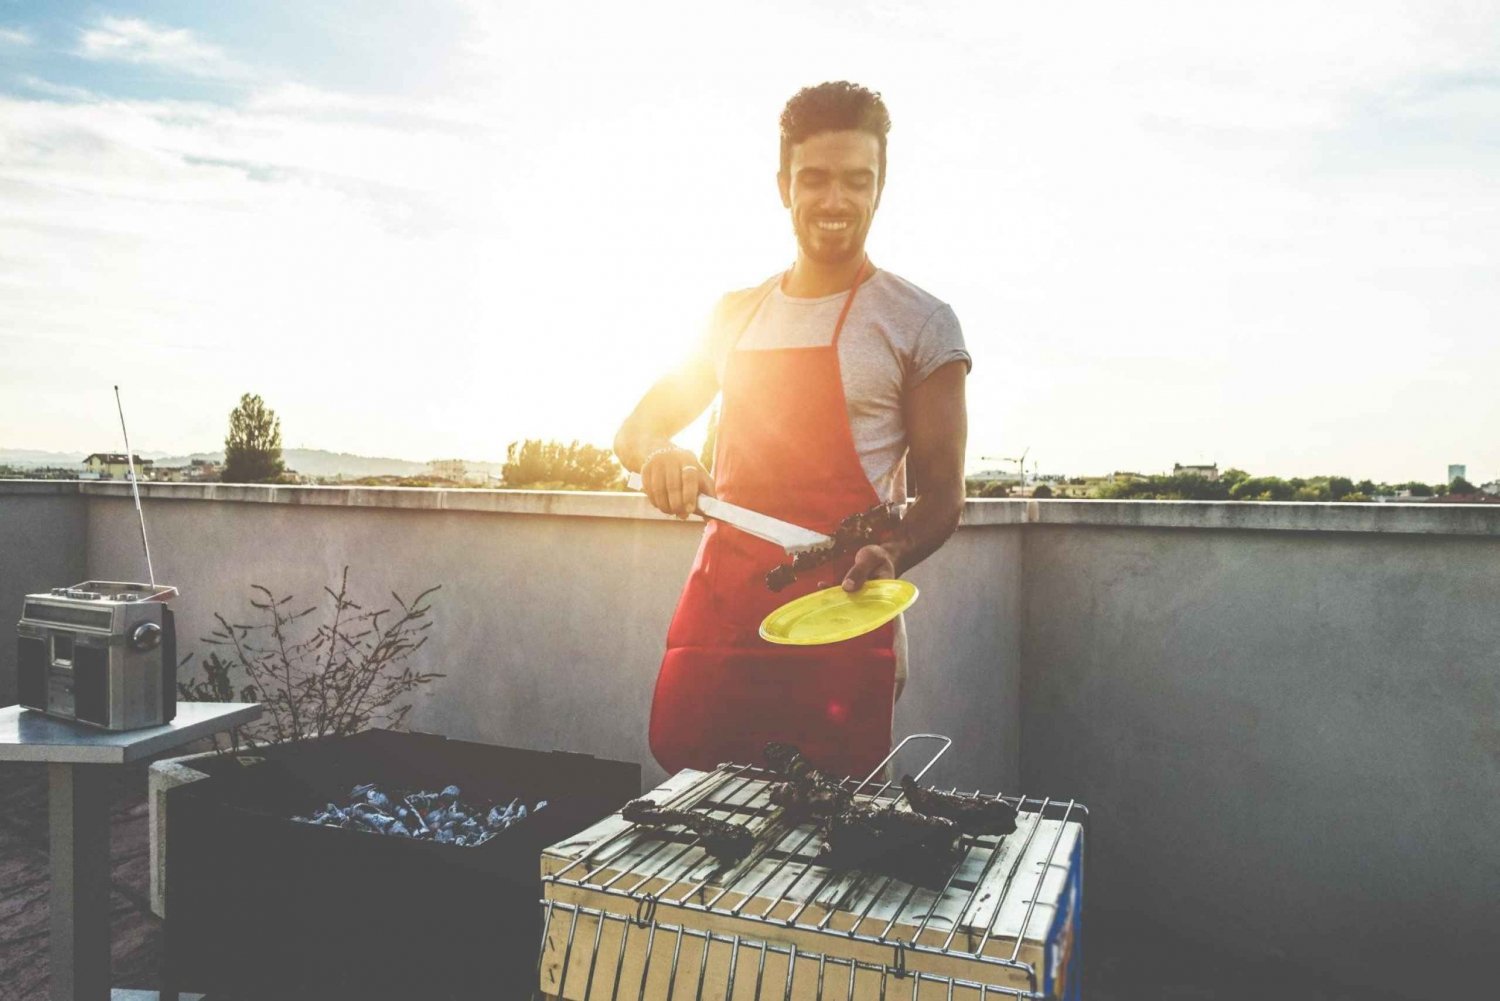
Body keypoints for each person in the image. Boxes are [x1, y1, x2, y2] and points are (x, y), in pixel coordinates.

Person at [614, 81, 969, 779]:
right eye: (814, 179)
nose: (835, 200)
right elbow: (637, 428)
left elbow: (942, 496)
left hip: (838, 621)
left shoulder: (920, 324)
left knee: (823, 854)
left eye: (856, 180)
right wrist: (664, 454)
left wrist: (892, 551)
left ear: (881, 186)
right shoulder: (732, 315)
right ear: (784, 185)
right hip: (721, 625)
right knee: (701, 838)